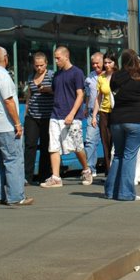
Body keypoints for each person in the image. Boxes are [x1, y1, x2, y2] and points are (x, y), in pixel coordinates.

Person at [0, 46, 32, 206]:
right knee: (13, 160)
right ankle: (16, 197)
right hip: (6, 125)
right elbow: (8, 100)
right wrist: (17, 123)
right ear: (6, 58)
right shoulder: (3, 76)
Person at [105, 49, 140, 201]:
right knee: (129, 156)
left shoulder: (115, 76)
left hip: (117, 119)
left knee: (118, 155)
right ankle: (126, 193)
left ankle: (110, 191)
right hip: (136, 119)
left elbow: (113, 92)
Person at [42, 46, 92, 188]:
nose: (56, 61)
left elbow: (80, 95)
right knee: (53, 147)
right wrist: (44, 89)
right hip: (55, 115)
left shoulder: (77, 73)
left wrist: (71, 113)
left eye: (58, 58)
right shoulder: (57, 75)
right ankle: (56, 177)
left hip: (72, 117)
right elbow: (56, 90)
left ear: (66, 56)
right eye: (55, 58)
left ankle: (86, 169)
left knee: (77, 147)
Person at [23, 52, 54, 185]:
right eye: (36, 66)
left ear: (46, 64)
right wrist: (25, 113)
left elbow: (57, 90)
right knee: (30, 145)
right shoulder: (31, 77)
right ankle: (26, 176)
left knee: (46, 146)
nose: (39, 68)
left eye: (41, 65)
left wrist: (47, 89)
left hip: (47, 116)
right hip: (32, 116)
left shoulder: (52, 75)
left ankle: (44, 175)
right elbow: (28, 96)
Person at [83, 52, 105, 176]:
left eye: (98, 63)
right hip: (92, 112)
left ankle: (109, 169)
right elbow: (88, 94)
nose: (95, 65)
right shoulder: (89, 77)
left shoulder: (109, 76)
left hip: (106, 112)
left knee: (107, 141)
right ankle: (90, 169)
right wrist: (86, 107)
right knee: (90, 140)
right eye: (93, 63)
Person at [94, 54, 115, 175]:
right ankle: (109, 171)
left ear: (115, 63)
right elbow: (98, 97)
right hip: (104, 113)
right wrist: (94, 115)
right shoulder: (101, 77)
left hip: (116, 113)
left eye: (109, 62)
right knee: (105, 142)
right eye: (105, 63)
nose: (107, 65)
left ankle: (117, 170)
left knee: (115, 142)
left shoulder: (118, 76)